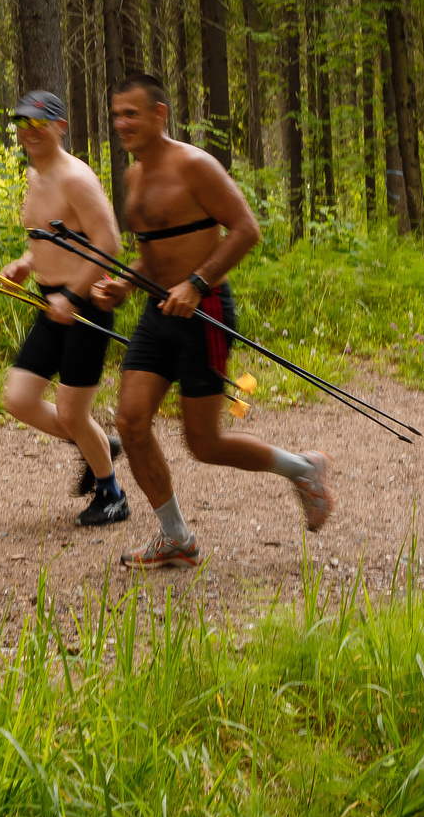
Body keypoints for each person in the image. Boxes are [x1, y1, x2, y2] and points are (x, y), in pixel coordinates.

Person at [88, 72, 332, 570]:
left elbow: (246, 229)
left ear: (160, 113)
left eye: (131, 113)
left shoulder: (196, 166)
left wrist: (198, 284)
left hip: (206, 313)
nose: (121, 123)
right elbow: (150, 256)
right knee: (131, 422)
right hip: (158, 313)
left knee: (205, 443)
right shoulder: (134, 177)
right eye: (116, 114)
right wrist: (125, 285)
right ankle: (175, 536)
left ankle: (303, 469)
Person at [0, 90, 131, 527]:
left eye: (38, 123)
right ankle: (99, 445)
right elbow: (54, 237)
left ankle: (112, 495)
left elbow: (109, 245)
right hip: (48, 304)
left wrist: (73, 296)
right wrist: (27, 261)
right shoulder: (36, 176)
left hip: (85, 305)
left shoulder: (77, 178)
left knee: (73, 412)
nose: (29, 132)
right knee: (19, 399)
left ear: (60, 126)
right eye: (22, 124)